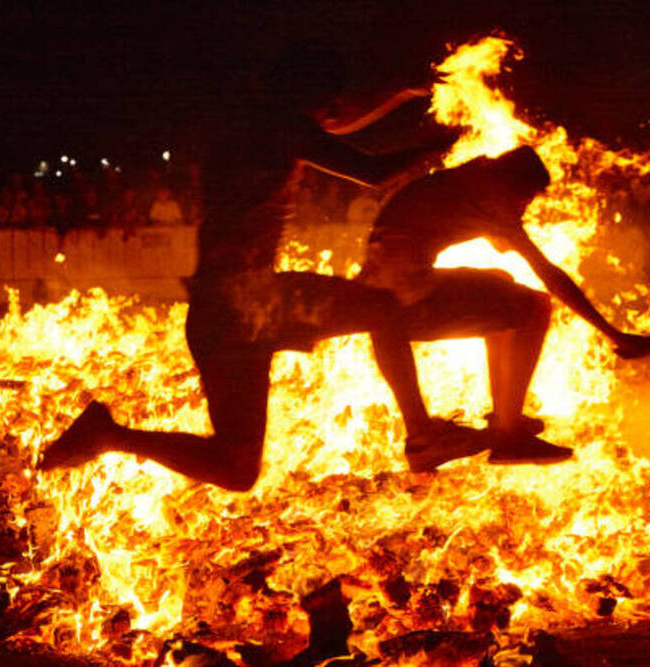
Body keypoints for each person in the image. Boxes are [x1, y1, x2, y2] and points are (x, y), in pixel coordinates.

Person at [40, 44, 489, 489]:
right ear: (306, 95)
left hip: (218, 315)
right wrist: (451, 140)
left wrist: (403, 92)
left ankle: (110, 435)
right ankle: (423, 434)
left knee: (236, 470)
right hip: (256, 300)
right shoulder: (283, 128)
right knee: (384, 308)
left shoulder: (255, 123)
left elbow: (331, 122)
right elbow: (371, 172)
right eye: (328, 99)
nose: (333, 110)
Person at [357, 145, 650, 463]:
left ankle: (504, 417)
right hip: (406, 303)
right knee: (535, 306)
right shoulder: (493, 197)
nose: (524, 211)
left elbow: (492, 243)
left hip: (383, 290)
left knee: (499, 282)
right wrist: (613, 334)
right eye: (525, 201)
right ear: (514, 186)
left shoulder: (470, 181)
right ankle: (508, 435)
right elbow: (550, 276)